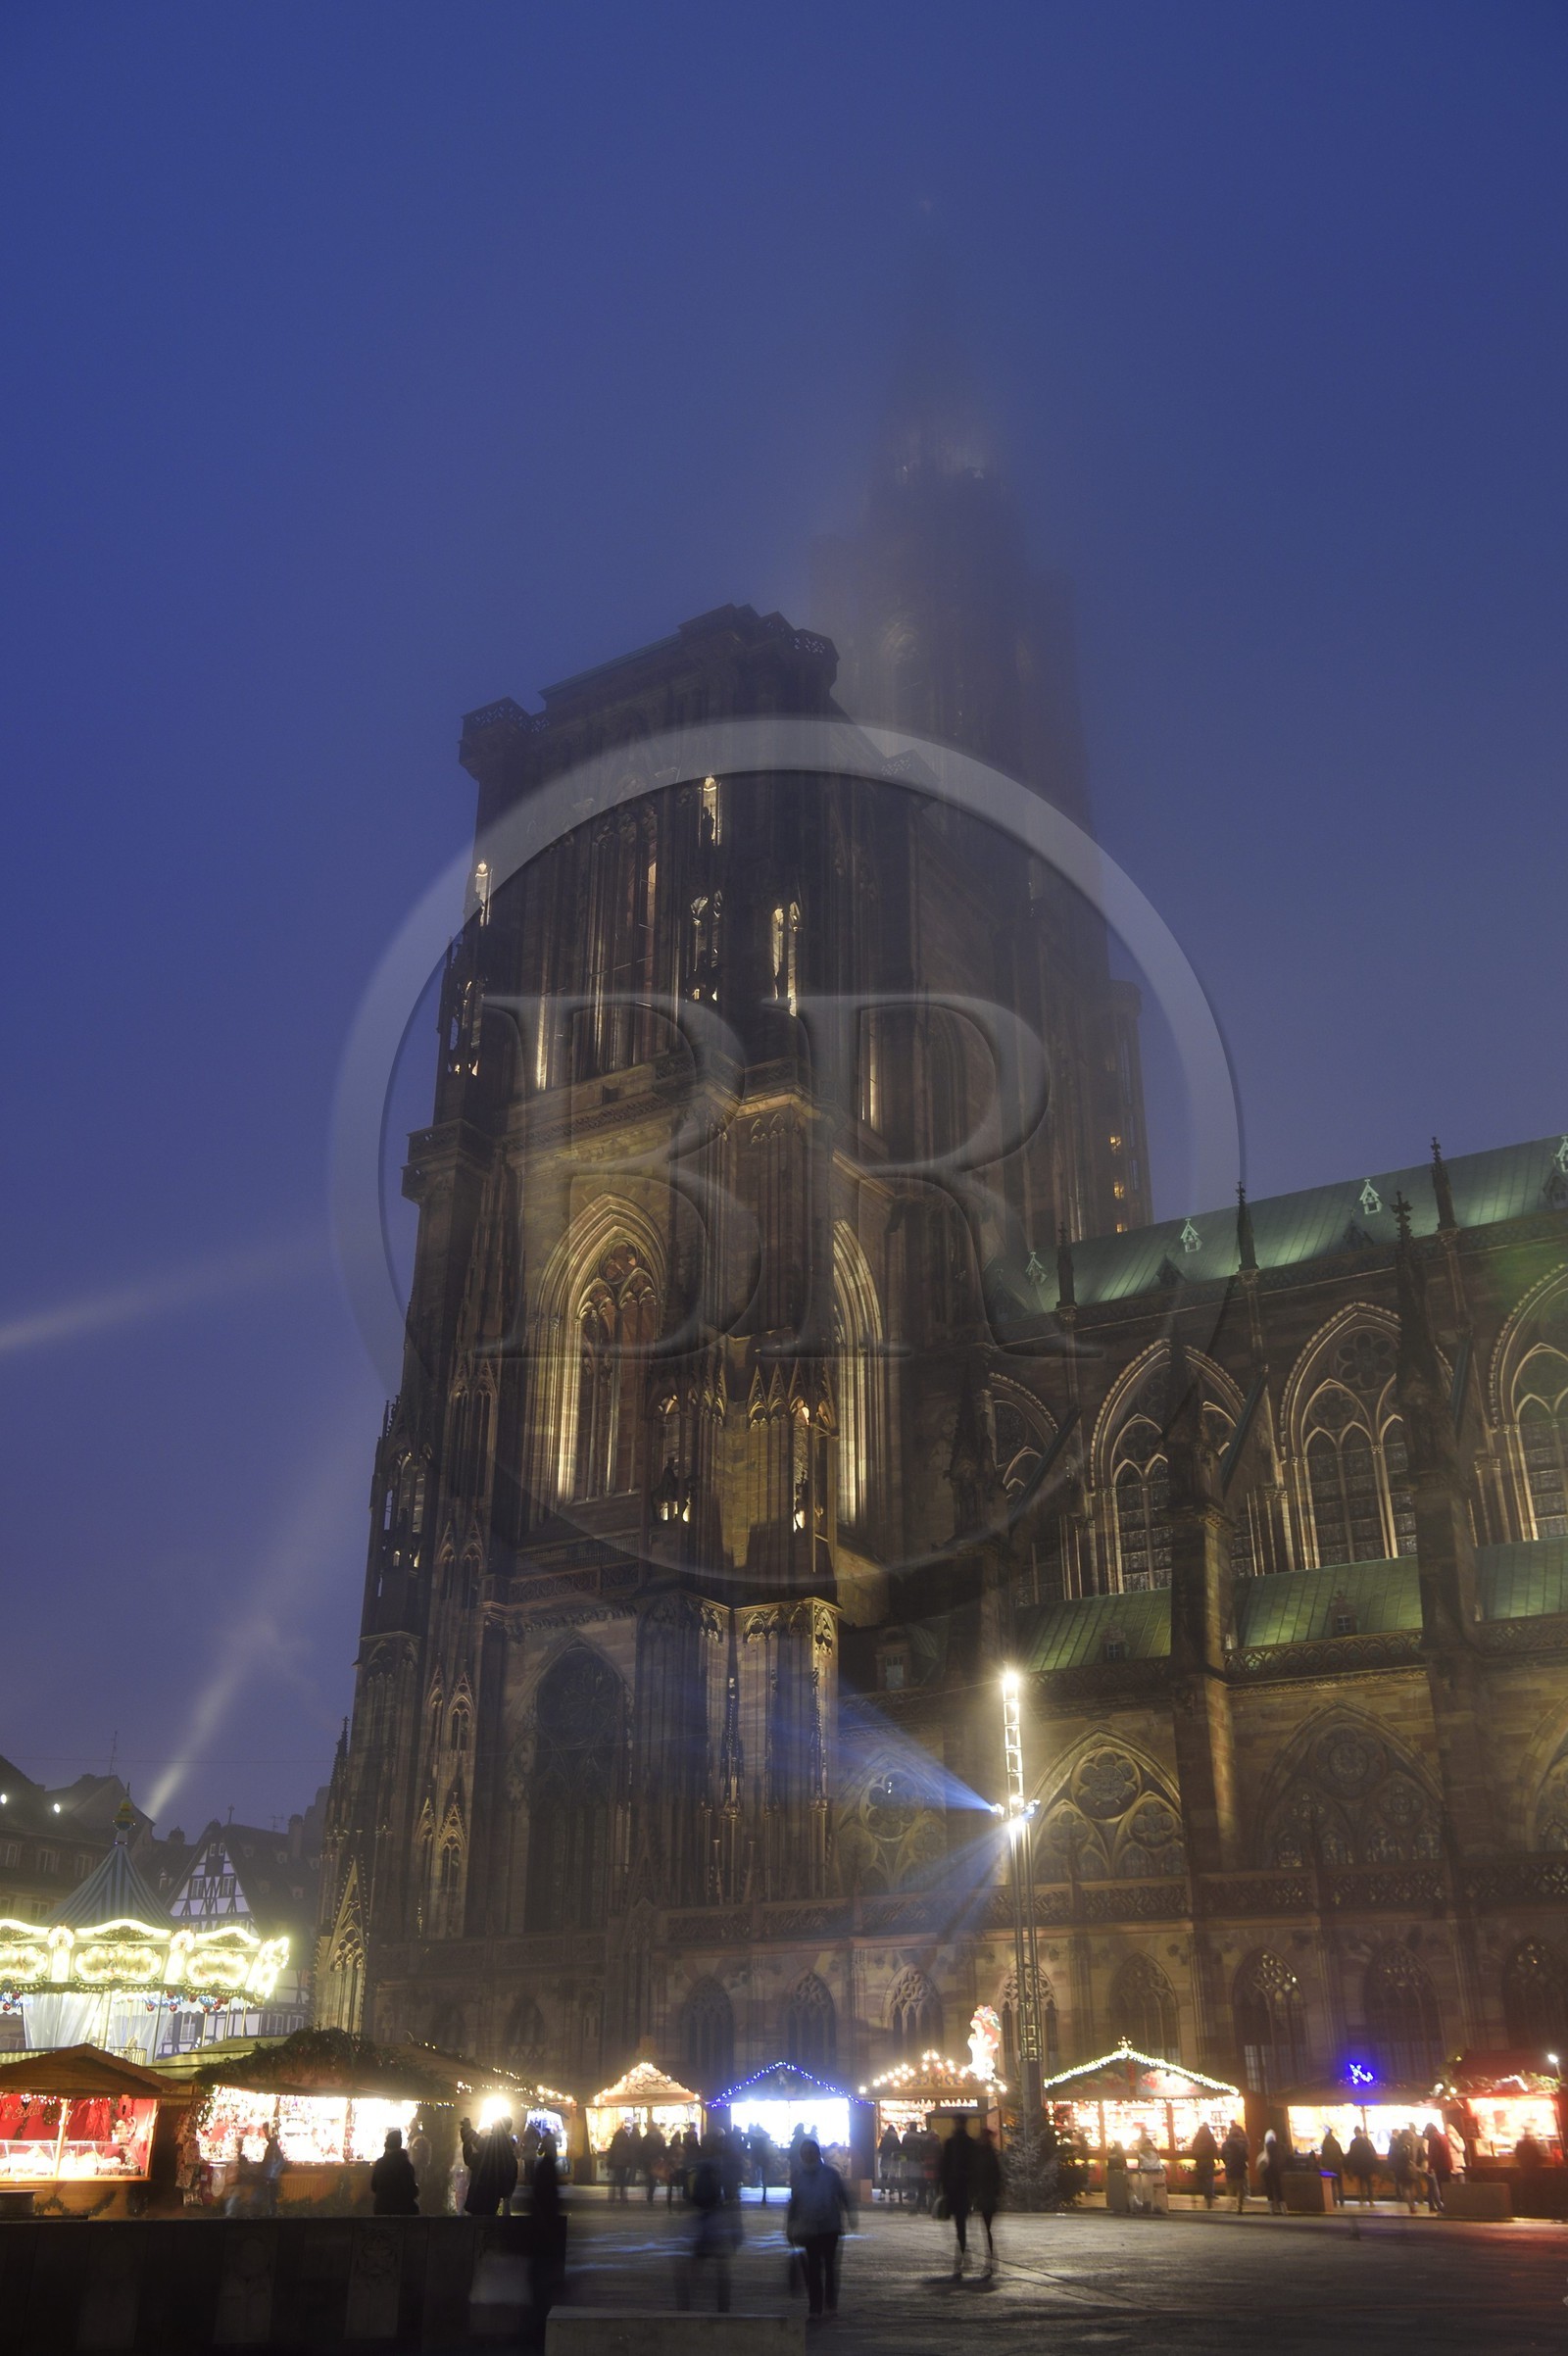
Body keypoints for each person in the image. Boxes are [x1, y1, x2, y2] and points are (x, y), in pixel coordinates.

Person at [787, 2136, 850, 2322]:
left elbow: (842, 2195)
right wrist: (790, 2225)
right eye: (805, 2154)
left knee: (830, 2267)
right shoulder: (798, 2176)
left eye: (811, 2153)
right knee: (813, 2269)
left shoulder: (830, 2174)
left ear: (818, 2154)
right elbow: (794, 2203)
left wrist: (850, 2214)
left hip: (830, 2227)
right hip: (809, 2229)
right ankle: (815, 2307)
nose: (809, 2156)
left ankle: (830, 2304)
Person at [678, 2132, 742, 2314]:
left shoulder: (703, 2165)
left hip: (708, 2221)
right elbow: (730, 2196)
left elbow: (694, 2195)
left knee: (703, 2262)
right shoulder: (721, 2165)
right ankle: (721, 2305)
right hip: (714, 2221)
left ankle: (690, 2301)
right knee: (718, 2265)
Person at [939, 2117, 975, 2280]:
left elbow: (944, 2167)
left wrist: (943, 2187)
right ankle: (962, 2255)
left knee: (960, 2225)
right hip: (963, 2189)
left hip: (954, 2189)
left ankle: (961, 2257)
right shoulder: (969, 2143)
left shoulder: (950, 2143)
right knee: (961, 2225)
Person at [465, 2115, 518, 2217]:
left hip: (480, 2193)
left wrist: (467, 2134)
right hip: (493, 2196)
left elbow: (472, 2154)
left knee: (478, 2221)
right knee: (488, 2220)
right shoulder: (506, 2148)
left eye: (494, 2124)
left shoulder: (492, 2145)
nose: (492, 2126)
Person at [971, 2126, 1003, 2276]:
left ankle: (989, 2258)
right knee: (987, 2228)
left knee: (986, 2228)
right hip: (986, 2194)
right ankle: (990, 2258)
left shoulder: (982, 2153)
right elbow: (996, 2175)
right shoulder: (989, 2153)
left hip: (985, 2194)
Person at [370, 2126, 419, 2216]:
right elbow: (411, 2190)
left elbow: (374, 2186)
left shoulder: (380, 2163)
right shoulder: (405, 2164)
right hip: (403, 2211)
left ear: (387, 2146)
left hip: (382, 2209)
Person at [1220, 2121, 1250, 2213]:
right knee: (1240, 2189)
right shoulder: (1242, 2145)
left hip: (1229, 2168)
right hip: (1240, 2169)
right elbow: (1246, 2157)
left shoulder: (1225, 2144)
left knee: (1229, 2187)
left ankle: (1229, 2206)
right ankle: (1239, 2207)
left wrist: (1227, 2163)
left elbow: (1222, 2156)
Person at [1424, 2120, 1452, 2214]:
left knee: (1441, 2188)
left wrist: (1430, 2166)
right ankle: (1450, 2205)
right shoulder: (1443, 2136)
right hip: (1447, 2165)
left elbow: (1434, 2153)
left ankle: (1446, 2208)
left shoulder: (1433, 2137)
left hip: (1440, 2166)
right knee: (1447, 2187)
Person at [1190, 2120, 1218, 2208]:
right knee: (1210, 2177)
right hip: (1209, 2160)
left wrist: (1196, 2158)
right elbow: (1214, 2147)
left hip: (1200, 2161)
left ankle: (1205, 2193)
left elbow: (1193, 2149)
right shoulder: (1209, 2136)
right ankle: (1210, 2193)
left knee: (1203, 2177)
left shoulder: (1197, 2137)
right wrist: (1217, 2157)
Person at [1345, 2128, 1378, 2206]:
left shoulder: (1353, 2142)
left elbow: (1351, 2155)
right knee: (1368, 2182)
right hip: (1368, 2165)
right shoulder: (1367, 2141)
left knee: (1361, 2182)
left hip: (1358, 2166)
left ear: (1355, 2133)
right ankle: (1371, 2200)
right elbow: (1373, 2152)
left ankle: (1362, 2198)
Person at [607, 2121, 633, 2203]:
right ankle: (622, 2197)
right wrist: (629, 2160)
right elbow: (629, 2150)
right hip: (623, 2162)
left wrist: (610, 2160)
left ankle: (612, 2197)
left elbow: (612, 2149)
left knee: (614, 2180)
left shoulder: (616, 2137)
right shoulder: (626, 2137)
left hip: (616, 2161)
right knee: (622, 2181)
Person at [747, 2122, 772, 2205]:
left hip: (756, 2158)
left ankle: (754, 2182)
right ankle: (764, 2195)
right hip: (765, 2159)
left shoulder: (753, 2137)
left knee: (755, 2172)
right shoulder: (765, 2136)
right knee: (764, 2178)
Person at [643, 2120, 668, 2203]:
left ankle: (649, 2195)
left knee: (649, 2178)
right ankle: (651, 2195)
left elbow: (643, 2150)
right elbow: (663, 2148)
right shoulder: (660, 2136)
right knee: (653, 2178)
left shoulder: (646, 2137)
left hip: (648, 2160)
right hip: (657, 2160)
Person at [1260, 2128, 1284, 2215]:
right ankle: (1283, 2209)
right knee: (1278, 2188)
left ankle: (1271, 2209)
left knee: (1269, 2188)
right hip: (1276, 2169)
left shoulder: (1265, 2146)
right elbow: (1281, 2157)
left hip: (1267, 2169)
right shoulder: (1278, 2146)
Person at [1319, 2126, 1345, 2208]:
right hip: (1337, 2166)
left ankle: (1334, 2202)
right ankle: (1342, 2201)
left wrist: (1322, 2165)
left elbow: (1323, 2156)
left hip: (1328, 2168)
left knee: (1331, 2185)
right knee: (1339, 2184)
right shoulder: (1336, 2143)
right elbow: (1341, 2154)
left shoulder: (1325, 2144)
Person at [877, 2122, 902, 2203]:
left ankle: (882, 2193)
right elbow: (899, 2149)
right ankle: (892, 2193)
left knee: (884, 2177)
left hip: (885, 2159)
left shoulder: (884, 2139)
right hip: (894, 2159)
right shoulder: (896, 2139)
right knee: (893, 2177)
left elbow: (880, 2150)